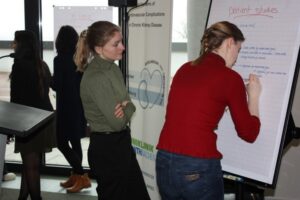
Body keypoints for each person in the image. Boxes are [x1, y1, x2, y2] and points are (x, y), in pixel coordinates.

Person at [156, 21, 262, 200]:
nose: (237, 57)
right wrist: (254, 97)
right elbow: (249, 132)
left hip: (164, 162)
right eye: (238, 49)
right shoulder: (230, 78)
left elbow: (189, 112)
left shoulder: (184, 68)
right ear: (229, 42)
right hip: (197, 165)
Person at [74, 21, 150, 200]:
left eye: (121, 41)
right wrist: (128, 107)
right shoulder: (96, 77)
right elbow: (117, 123)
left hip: (122, 144)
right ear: (99, 49)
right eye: (116, 44)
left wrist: (127, 106)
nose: (122, 47)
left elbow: (128, 104)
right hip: (108, 149)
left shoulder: (113, 69)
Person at [10, 30, 56, 200]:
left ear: (22, 45)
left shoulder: (19, 65)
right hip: (44, 121)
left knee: (31, 165)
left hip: (27, 123)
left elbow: (16, 100)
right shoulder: (41, 64)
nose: (13, 45)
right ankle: (23, 196)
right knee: (30, 163)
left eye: (15, 41)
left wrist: (11, 128)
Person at [51, 25, 90, 193]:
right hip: (79, 107)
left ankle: (81, 175)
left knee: (60, 141)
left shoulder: (59, 60)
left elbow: (57, 85)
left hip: (66, 107)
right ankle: (76, 177)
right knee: (75, 142)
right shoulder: (79, 59)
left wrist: (46, 78)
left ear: (60, 41)